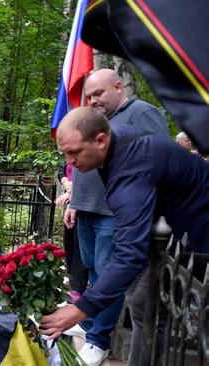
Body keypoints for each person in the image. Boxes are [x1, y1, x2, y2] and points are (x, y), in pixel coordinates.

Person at [42, 107, 209, 365]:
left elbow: (129, 253)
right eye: (65, 154)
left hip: (199, 231)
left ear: (100, 140)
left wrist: (81, 309)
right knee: (146, 305)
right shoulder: (116, 142)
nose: (70, 162)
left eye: (74, 152)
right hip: (179, 232)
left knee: (147, 305)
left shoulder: (129, 170)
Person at [61, 68, 168, 365]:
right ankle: (92, 324)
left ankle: (98, 341)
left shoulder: (142, 113)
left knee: (108, 273)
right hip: (87, 209)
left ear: (119, 88)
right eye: (89, 95)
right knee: (94, 270)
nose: (93, 100)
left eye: (99, 93)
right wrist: (75, 201)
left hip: (113, 213)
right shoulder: (96, 121)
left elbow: (156, 161)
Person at [55, 162, 87, 303]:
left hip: (84, 204)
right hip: (70, 204)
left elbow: (86, 178)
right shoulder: (71, 156)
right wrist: (66, 182)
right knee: (68, 243)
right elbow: (61, 171)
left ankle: (78, 287)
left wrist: (70, 193)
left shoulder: (87, 156)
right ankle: (71, 278)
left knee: (79, 245)